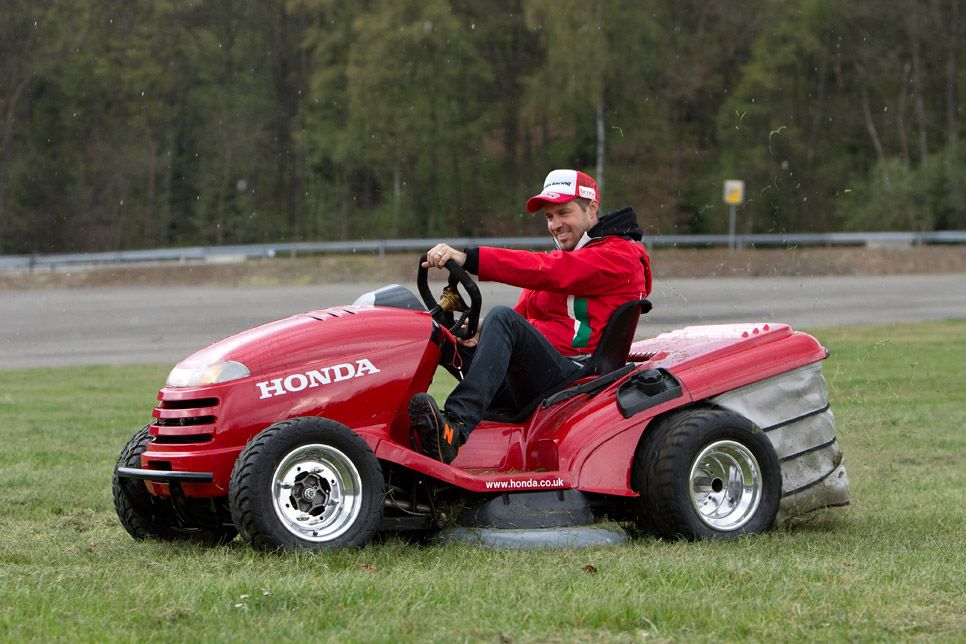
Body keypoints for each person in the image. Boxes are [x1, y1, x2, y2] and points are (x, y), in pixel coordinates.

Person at [409, 169, 652, 463]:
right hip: (538, 374)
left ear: (591, 208)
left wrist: (468, 258)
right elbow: (520, 318)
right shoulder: (569, 256)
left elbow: (548, 275)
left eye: (564, 212)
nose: (555, 225)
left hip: (576, 377)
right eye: (550, 217)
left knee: (500, 319)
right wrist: (474, 331)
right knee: (438, 333)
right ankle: (399, 421)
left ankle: (456, 429)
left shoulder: (618, 256)